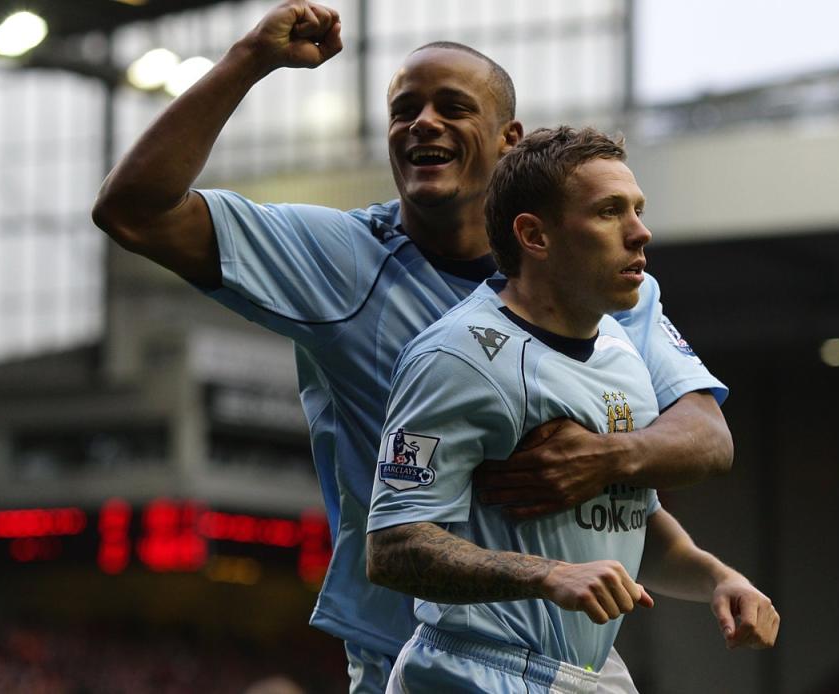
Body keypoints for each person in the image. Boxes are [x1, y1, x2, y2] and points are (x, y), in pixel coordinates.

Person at [91, 2, 734, 691]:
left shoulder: (596, 284)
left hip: (566, 655)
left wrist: (603, 460)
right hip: (416, 656)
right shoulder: (337, 259)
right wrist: (249, 60)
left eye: (453, 107)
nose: (422, 123)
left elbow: (705, 435)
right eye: (404, 110)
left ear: (508, 139)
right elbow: (134, 209)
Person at [366, 126, 779, 694]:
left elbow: (627, 519)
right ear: (534, 235)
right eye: (610, 212)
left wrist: (716, 577)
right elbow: (392, 547)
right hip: (475, 670)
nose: (641, 232)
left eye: (637, 209)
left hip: (586, 674)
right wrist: (550, 575)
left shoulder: (621, 348)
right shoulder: (454, 356)